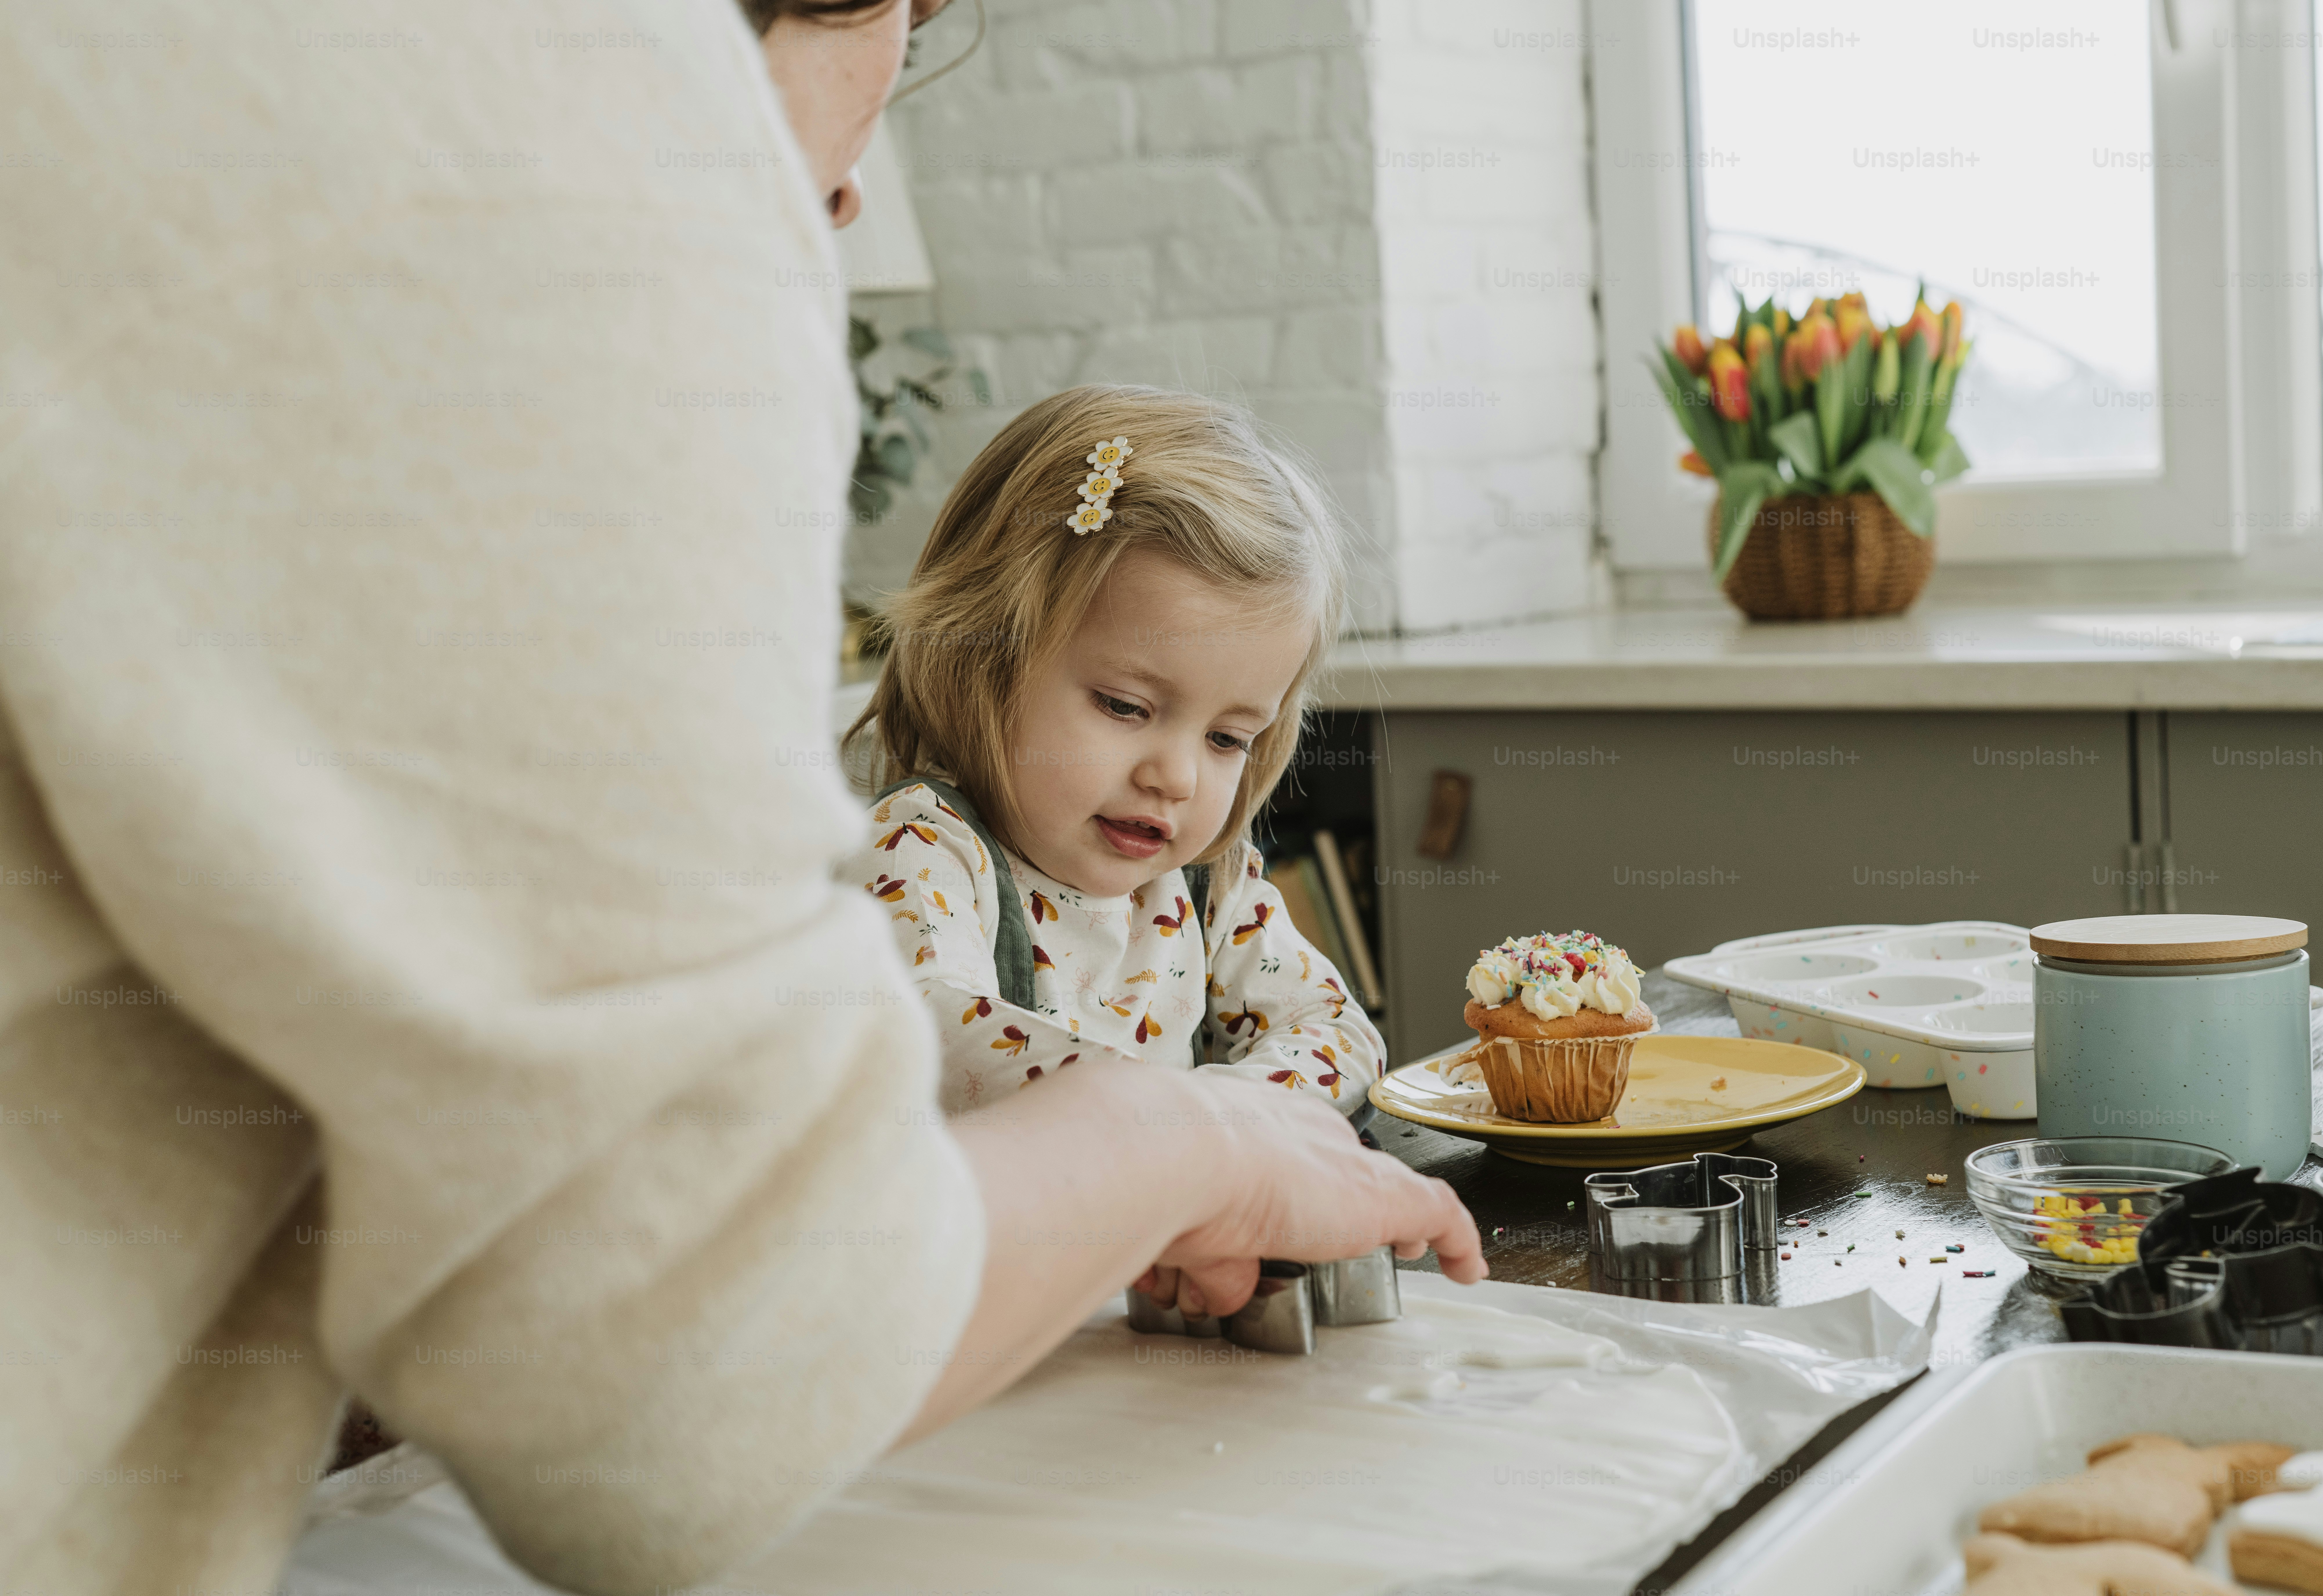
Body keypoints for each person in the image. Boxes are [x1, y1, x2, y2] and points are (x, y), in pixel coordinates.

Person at [0, 6, 1481, 1596]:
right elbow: (692, 1380)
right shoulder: (567, 150)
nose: (836, 209)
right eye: (891, 34)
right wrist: (1189, 1141)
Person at [844, 385, 1382, 1119]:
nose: (1176, 777)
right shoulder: (922, 850)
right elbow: (936, 1036)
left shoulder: (1206, 888)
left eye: (1227, 739)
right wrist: (1185, 1124)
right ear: (982, 660)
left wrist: (1221, 1123)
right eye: (1125, 707)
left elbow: (1338, 1033)